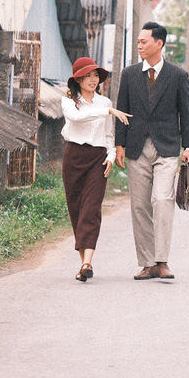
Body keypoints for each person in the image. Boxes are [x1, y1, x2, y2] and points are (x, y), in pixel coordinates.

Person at [114, 22, 189, 280]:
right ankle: (147, 263)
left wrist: (188, 146)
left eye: (144, 41)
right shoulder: (129, 74)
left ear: (159, 44)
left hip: (167, 147)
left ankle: (162, 260)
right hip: (137, 148)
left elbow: (186, 113)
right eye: (138, 41)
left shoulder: (178, 75)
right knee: (139, 206)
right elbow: (121, 111)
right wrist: (119, 145)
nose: (139, 45)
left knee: (162, 200)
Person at [61, 57, 131, 282]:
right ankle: (84, 264)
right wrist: (108, 112)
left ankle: (87, 262)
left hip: (98, 159)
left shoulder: (105, 102)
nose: (93, 80)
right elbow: (76, 118)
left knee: (91, 209)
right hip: (74, 157)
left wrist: (111, 155)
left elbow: (109, 135)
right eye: (87, 75)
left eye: (95, 75)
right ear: (78, 79)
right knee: (76, 209)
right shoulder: (69, 101)